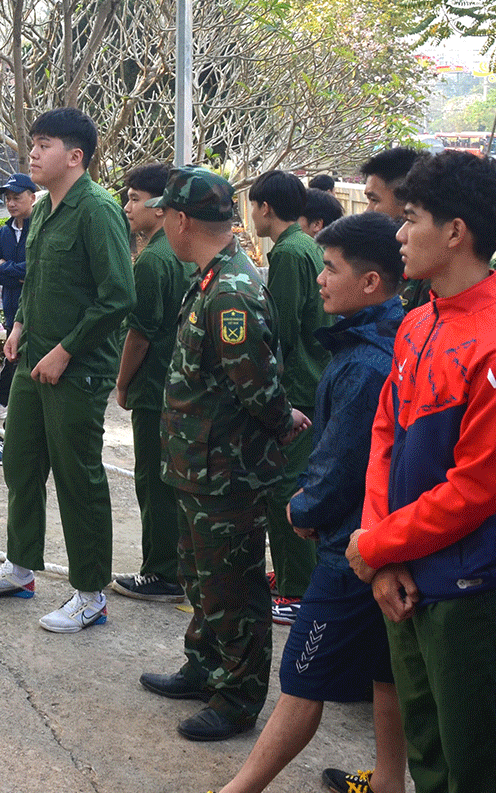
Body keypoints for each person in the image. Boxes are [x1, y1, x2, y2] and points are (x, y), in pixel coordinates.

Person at [346, 150, 496, 793]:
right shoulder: (418, 322)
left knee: (479, 766)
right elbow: (385, 437)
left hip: (473, 590)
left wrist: (377, 545)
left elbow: (479, 488)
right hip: (404, 574)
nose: (398, 233)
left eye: (411, 219)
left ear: (455, 232)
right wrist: (382, 553)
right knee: (429, 754)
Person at [219, 211, 407, 793]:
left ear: (371, 282)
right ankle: (388, 786)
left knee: (302, 675)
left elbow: (345, 456)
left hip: (351, 550)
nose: (320, 280)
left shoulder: (368, 362)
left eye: (330, 269)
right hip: (371, 539)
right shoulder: (378, 339)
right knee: (385, 676)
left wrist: (306, 508)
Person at [137, 167, 309, 741]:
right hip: (198, 465)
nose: (161, 223)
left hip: (225, 472)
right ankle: (206, 666)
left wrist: (284, 421)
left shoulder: (231, 290)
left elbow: (255, 384)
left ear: (181, 220)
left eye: (165, 214)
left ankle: (237, 698)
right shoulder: (211, 277)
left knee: (231, 587)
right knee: (199, 576)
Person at [0, 108, 134, 635]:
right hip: (33, 360)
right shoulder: (45, 211)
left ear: (74, 156)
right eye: (31, 143)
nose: (32, 153)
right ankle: (20, 567)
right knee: (21, 464)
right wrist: (20, 327)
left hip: (77, 371)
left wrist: (65, 351)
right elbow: (36, 286)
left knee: (78, 478)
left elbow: (118, 295)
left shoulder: (97, 211)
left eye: (44, 144)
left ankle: (90, 593)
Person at [248, 169, 332, 624]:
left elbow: (278, 328)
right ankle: (292, 576)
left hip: (298, 384)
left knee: (285, 485)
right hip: (315, 378)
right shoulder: (307, 247)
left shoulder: (287, 253)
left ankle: (296, 589)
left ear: (264, 208)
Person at [110, 162, 195, 603]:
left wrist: (122, 383)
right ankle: (183, 566)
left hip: (155, 388)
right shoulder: (187, 256)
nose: (128, 207)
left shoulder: (153, 261)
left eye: (135, 198)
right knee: (179, 481)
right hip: (185, 389)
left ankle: (161, 572)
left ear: (162, 208)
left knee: (154, 482)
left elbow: (139, 334)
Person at [0, 173, 36, 463]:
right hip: (13, 313)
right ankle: (5, 418)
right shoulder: (4, 232)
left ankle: (7, 437)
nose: (11, 203)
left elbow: (36, 269)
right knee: (14, 364)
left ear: (32, 197)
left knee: (20, 373)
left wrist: (8, 267)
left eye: (17, 197)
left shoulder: (41, 227)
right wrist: (16, 270)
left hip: (36, 312)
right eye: (7, 198)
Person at [359, 147, 428, 311]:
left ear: (406, 201)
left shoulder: (427, 271)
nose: (367, 210)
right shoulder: (378, 257)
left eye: (374, 200)